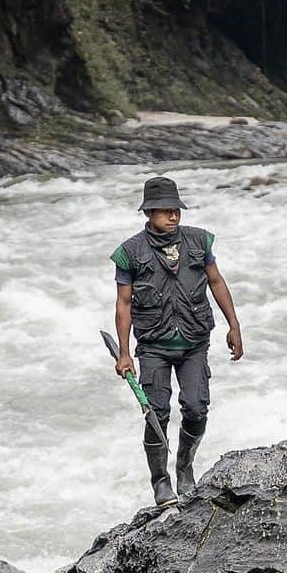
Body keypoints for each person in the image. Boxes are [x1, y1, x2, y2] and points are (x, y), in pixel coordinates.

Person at [110, 175, 243, 507]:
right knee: (156, 412)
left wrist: (234, 325)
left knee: (197, 407)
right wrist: (124, 353)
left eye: (176, 210)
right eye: (165, 211)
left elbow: (216, 281)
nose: (173, 216)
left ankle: (185, 468)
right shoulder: (129, 252)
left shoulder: (199, 242)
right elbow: (124, 303)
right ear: (148, 213)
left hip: (194, 341)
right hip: (153, 345)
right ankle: (160, 482)